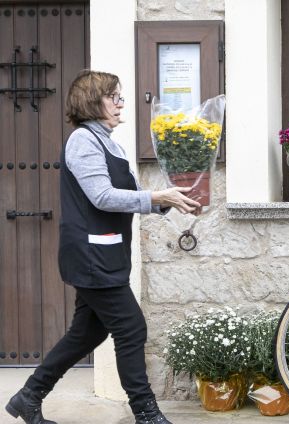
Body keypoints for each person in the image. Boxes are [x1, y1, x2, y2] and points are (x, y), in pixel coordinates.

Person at [4, 70, 200, 424]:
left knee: (87, 332)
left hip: (106, 252)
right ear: (93, 102)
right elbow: (103, 196)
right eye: (115, 97)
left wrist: (168, 200)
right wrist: (155, 195)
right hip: (91, 255)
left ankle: (28, 396)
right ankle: (146, 413)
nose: (121, 103)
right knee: (131, 328)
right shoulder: (83, 140)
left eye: (121, 96)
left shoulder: (110, 142)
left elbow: (127, 195)